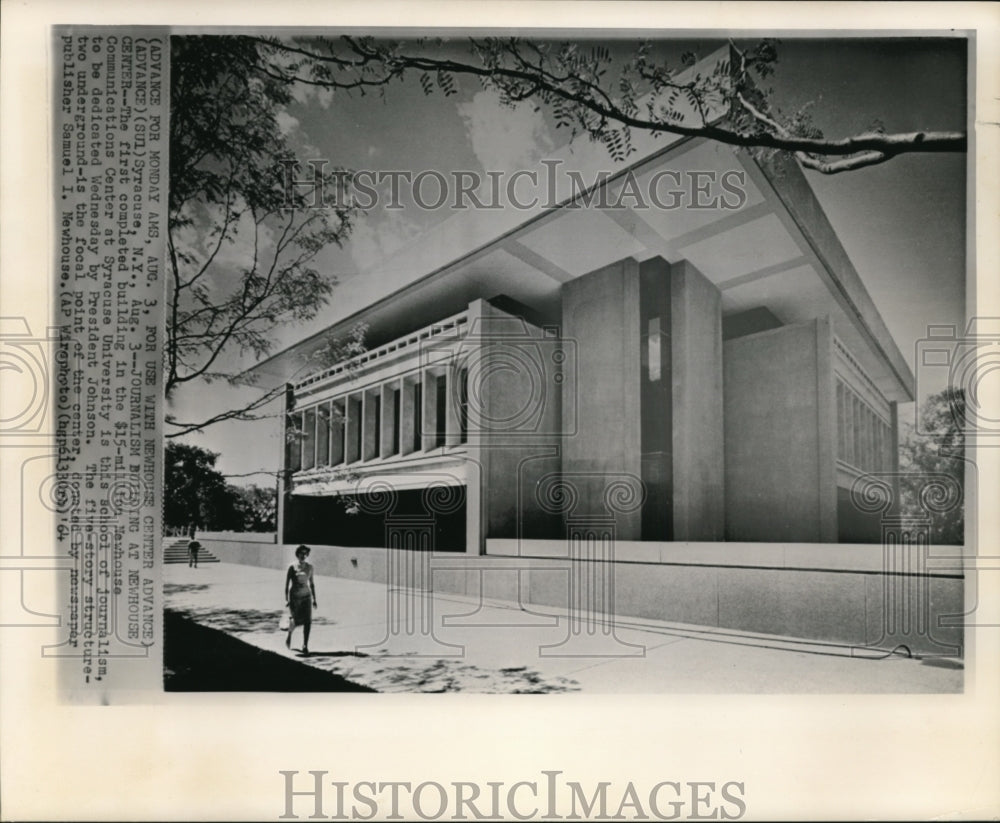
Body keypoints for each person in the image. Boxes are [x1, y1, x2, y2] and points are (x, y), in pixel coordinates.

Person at [284, 545, 317, 654]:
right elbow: (287, 584)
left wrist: (314, 599)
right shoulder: (292, 567)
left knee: (308, 621)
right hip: (295, 597)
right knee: (295, 620)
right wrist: (286, 600)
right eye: (301, 553)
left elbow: (312, 584)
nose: (303, 555)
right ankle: (289, 634)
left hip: (306, 597)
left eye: (305, 553)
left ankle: (305, 645)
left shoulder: (310, 567)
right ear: (297, 554)